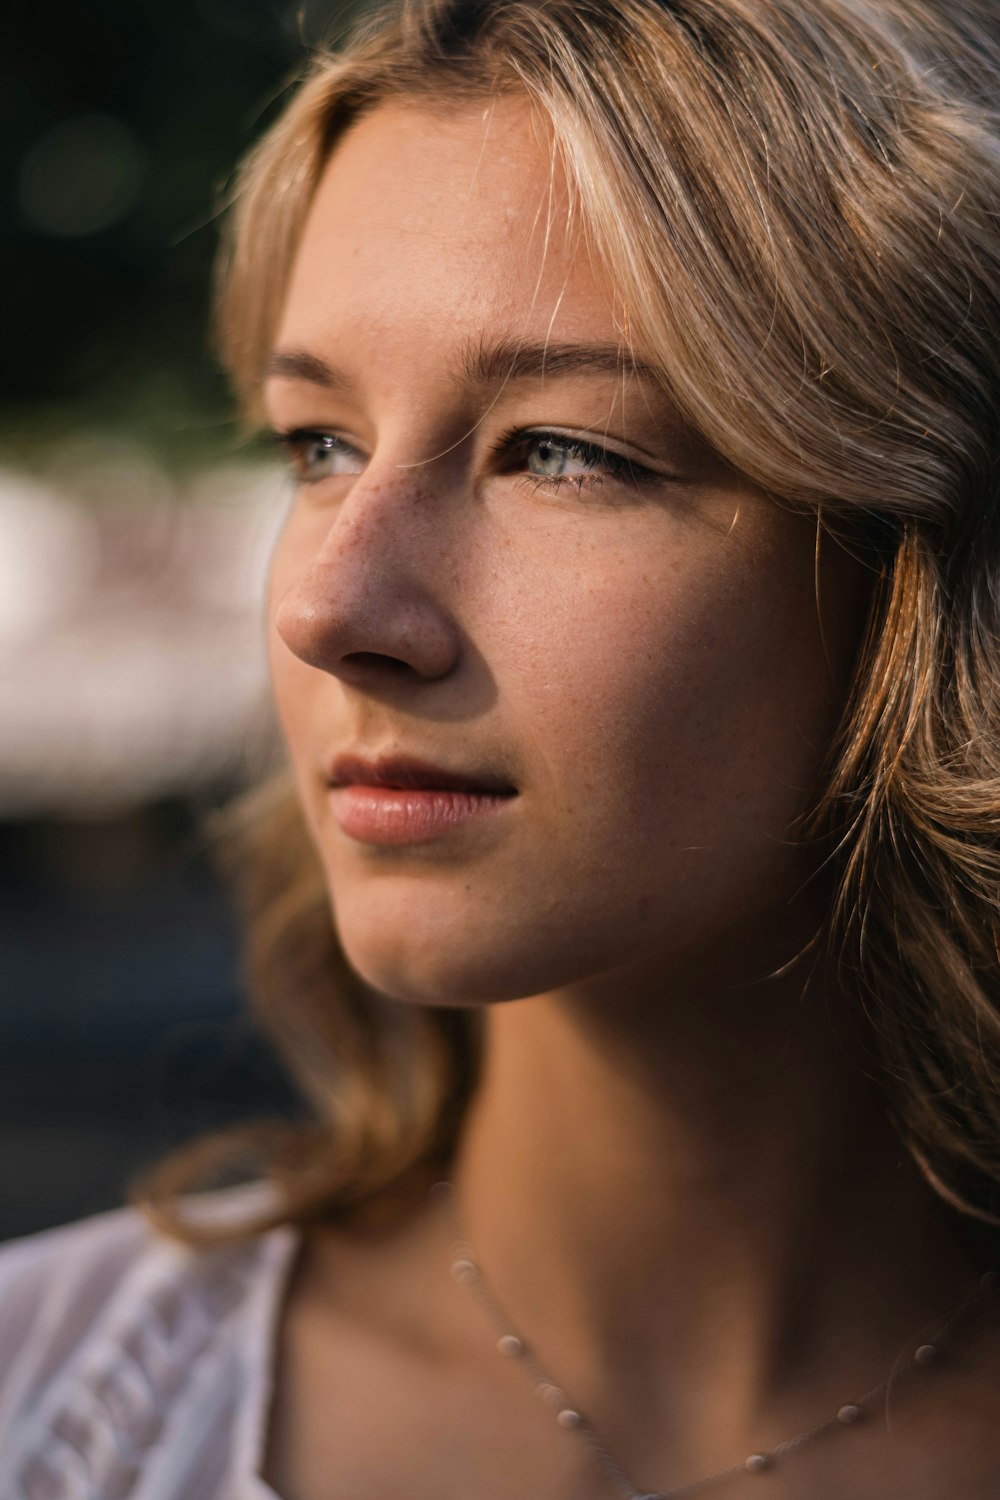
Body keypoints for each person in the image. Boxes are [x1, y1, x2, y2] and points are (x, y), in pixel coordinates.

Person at [3, 0, 1000, 1496]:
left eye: (563, 451)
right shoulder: (52, 1409)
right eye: (318, 444)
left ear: (919, 570)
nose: (335, 605)